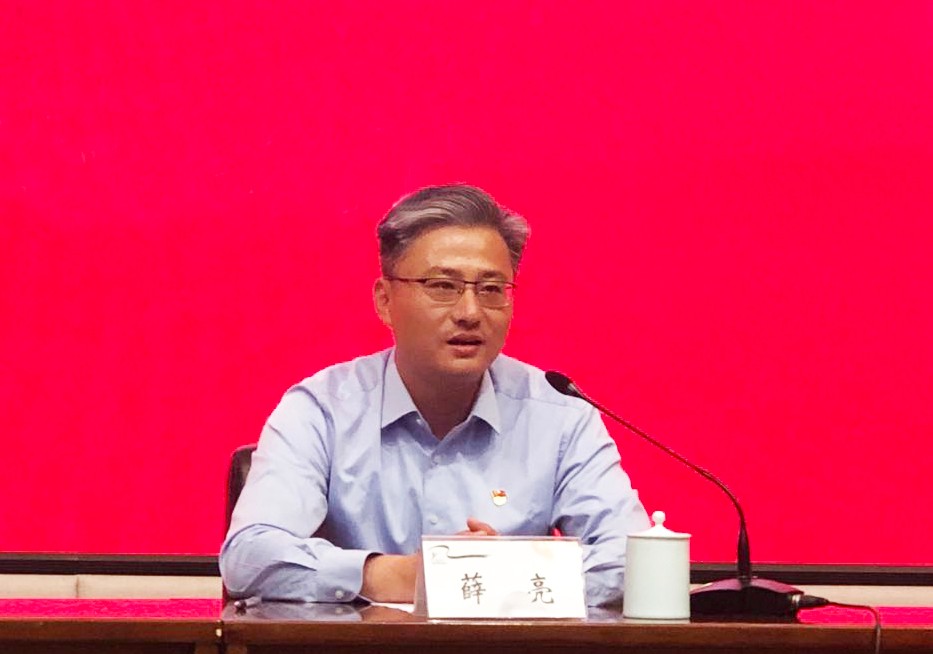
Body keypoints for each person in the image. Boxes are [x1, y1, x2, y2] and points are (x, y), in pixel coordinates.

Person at [220, 184, 649, 606]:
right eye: (442, 286)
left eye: (491, 289)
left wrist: (507, 575)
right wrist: (396, 575)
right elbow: (249, 554)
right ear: (385, 300)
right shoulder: (322, 410)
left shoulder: (559, 414)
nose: (470, 312)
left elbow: (636, 560)